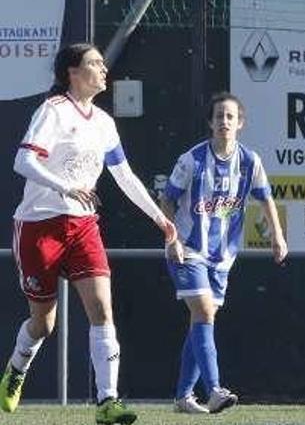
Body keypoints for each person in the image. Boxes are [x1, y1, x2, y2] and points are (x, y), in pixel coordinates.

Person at [0, 43, 178, 425]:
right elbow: (23, 160)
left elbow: (124, 176)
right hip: (39, 225)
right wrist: (64, 186)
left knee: (102, 310)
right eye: (94, 63)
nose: (103, 69)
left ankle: (107, 401)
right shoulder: (53, 110)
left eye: (101, 62)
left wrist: (159, 219)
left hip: (83, 225)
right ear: (72, 73)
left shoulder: (104, 122)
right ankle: (17, 366)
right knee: (43, 324)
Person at [160, 92, 287, 414]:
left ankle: (183, 397)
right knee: (203, 312)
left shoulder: (249, 161)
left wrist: (277, 236)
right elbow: (167, 200)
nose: (224, 122)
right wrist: (171, 238)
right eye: (219, 116)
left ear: (240, 123)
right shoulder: (192, 160)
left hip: (223, 256)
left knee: (201, 319)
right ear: (210, 123)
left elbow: (265, 199)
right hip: (188, 249)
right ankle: (215, 390)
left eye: (230, 117)